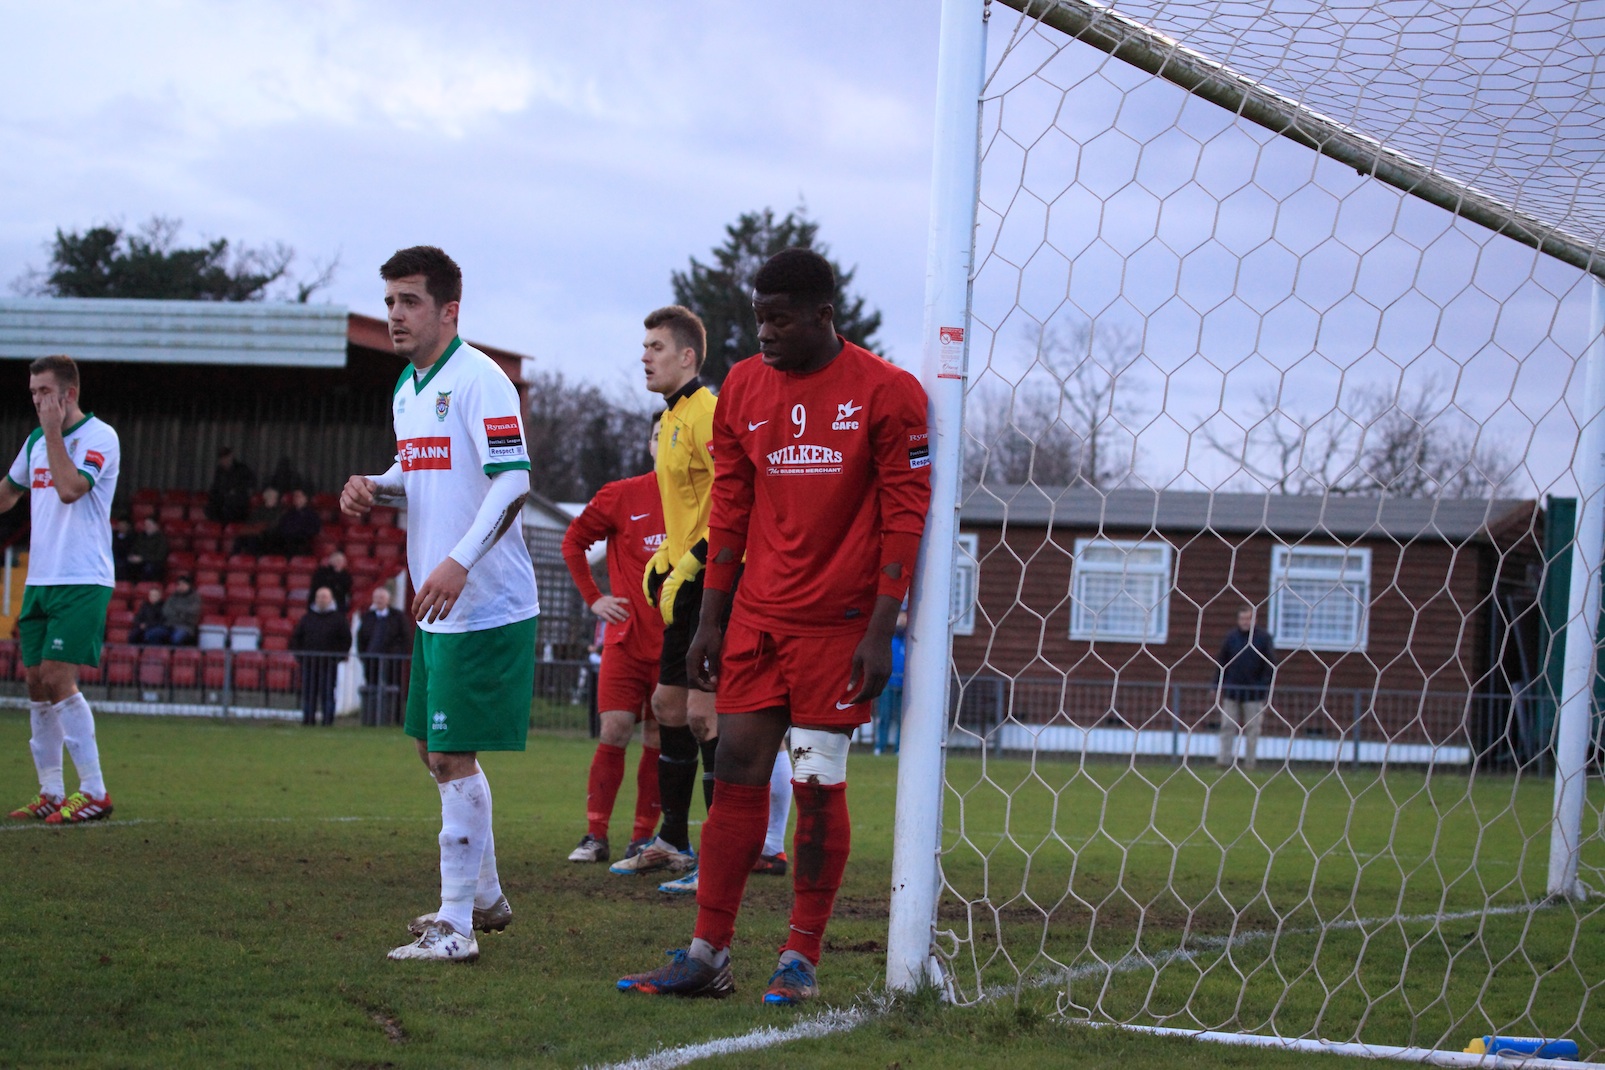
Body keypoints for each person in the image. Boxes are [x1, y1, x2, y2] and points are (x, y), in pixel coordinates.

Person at [617, 249, 930, 1004]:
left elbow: (905, 514)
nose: (764, 332)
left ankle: (800, 957)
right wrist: (710, 623)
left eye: (780, 318)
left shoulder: (889, 392)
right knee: (737, 778)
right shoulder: (745, 389)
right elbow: (730, 511)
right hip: (757, 617)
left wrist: (881, 628)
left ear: (823, 316)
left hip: (839, 625)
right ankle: (706, 953)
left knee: (819, 782)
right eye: (758, 316)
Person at [341, 245, 537, 964]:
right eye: (389, 301)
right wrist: (376, 484)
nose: (394, 314)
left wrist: (459, 560)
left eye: (409, 301)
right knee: (433, 750)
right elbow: (421, 470)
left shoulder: (481, 380)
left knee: (452, 753)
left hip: (483, 600)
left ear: (449, 309)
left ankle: (456, 927)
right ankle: (482, 897)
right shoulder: (407, 387)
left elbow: (512, 482)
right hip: (437, 600)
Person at [606, 305, 722, 893]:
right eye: (643, 345)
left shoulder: (707, 413)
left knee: (704, 714)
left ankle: (723, 855)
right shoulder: (670, 417)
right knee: (669, 707)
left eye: (655, 346)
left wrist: (697, 559)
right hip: (683, 578)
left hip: (714, 582)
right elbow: (686, 506)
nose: (644, 356)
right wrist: (664, 556)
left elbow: (732, 500)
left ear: (687, 357)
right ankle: (672, 842)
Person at [2, 354, 121, 825]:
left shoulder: (99, 437)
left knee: (56, 674)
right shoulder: (34, 440)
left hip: (82, 576)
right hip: (40, 578)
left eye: (44, 393)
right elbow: (11, 491)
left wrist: (53, 432)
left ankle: (93, 791)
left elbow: (71, 488)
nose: (36, 402)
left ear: (68, 394)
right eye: (32, 393)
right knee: (34, 681)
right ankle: (51, 790)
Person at [560, 419, 669, 865]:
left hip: (675, 644)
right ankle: (595, 835)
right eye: (662, 436)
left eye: (676, 435)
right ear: (650, 445)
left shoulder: (704, 495)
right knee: (615, 729)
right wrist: (595, 599)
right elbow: (573, 542)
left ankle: (642, 838)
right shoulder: (621, 494)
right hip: (625, 640)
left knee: (660, 738)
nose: (669, 444)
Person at [1214, 606, 1277, 770]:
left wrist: (1262, 686)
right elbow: (1221, 662)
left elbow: (1270, 664)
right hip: (1232, 691)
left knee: (1252, 729)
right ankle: (1224, 761)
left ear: (1254, 620)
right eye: (1242, 619)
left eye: (1248, 619)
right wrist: (1217, 684)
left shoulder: (1263, 638)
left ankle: (1250, 763)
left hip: (1254, 694)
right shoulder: (1231, 638)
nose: (1245, 622)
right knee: (1227, 726)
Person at [291, 586, 351, 726]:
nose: (321, 600)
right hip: (309, 663)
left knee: (328, 692)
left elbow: (346, 640)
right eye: (319, 597)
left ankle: (327, 721)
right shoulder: (307, 617)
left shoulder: (338, 619)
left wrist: (337, 657)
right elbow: (296, 638)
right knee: (308, 693)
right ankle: (308, 719)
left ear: (331, 599)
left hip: (329, 664)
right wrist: (301, 656)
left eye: (324, 597)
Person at [357, 587, 410, 725]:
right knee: (372, 688)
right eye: (377, 598)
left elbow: (405, 637)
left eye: (382, 598)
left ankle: (396, 719)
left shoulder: (397, 617)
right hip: (371, 661)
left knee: (395, 688)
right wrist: (364, 656)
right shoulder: (367, 617)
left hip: (392, 662)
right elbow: (361, 638)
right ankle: (371, 718)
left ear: (388, 600)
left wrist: (399, 655)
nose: (379, 600)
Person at [206, 446, 255, 524]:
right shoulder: (219, 471)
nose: (224, 460)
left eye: (226, 457)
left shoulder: (242, 469)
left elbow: (249, 484)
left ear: (231, 456)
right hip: (222, 503)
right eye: (222, 458)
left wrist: (236, 491)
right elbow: (216, 486)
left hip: (237, 504)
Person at [272, 488, 321, 557]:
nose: (296, 498)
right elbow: (281, 527)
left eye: (299, 496)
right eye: (295, 496)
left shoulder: (312, 515)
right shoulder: (288, 513)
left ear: (305, 498)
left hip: (303, 543)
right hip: (286, 542)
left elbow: (314, 530)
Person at [124, 515, 169, 582]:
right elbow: (134, 548)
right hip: (138, 562)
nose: (147, 526)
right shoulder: (141, 536)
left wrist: (142, 559)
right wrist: (131, 556)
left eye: (149, 524)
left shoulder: (161, 539)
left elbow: (159, 556)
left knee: (148, 569)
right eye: (146, 524)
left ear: (156, 526)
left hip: (152, 563)